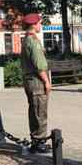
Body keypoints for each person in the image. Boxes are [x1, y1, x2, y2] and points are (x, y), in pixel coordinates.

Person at [20, 13, 51, 153]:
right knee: (40, 111)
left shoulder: (26, 39)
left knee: (34, 111)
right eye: (39, 23)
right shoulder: (33, 41)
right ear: (33, 24)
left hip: (29, 80)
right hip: (36, 81)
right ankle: (39, 142)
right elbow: (39, 64)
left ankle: (37, 140)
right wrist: (46, 81)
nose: (40, 25)